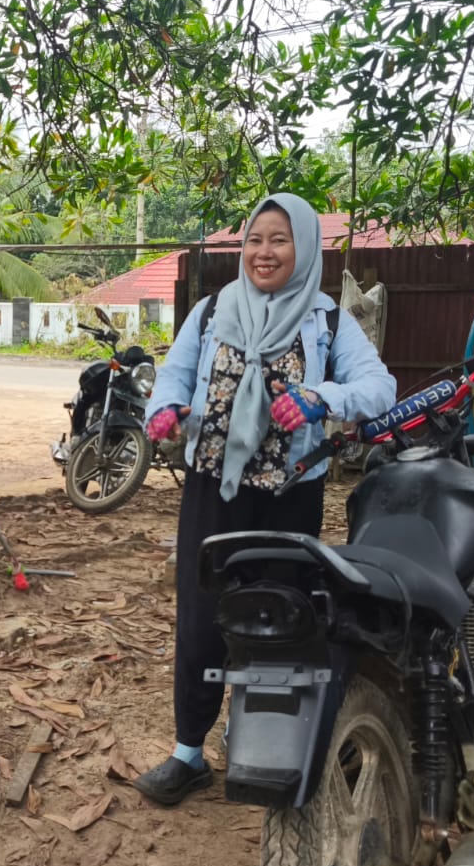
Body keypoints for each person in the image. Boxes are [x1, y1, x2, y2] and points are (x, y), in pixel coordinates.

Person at [132, 192, 396, 805]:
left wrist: (320, 398)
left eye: (279, 240)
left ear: (304, 248)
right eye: (254, 239)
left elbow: (378, 387)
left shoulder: (328, 319)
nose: (263, 252)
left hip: (288, 493)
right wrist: (165, 408)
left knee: (280, 617)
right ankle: (189, 753)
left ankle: (274, 746)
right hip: (212, 488)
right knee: (201, 619)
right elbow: (174, 374)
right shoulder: (210, 310)